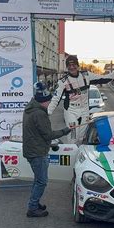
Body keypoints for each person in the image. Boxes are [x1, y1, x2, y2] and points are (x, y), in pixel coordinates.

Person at [23, 82, 71, 217]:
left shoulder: (31, 108)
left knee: (37, 179)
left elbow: (40, 133)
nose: (50, 102)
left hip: (32, 149)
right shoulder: (39, 114)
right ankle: (32, 208)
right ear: (43, 101)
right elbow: (48, 135)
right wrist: (65, 130)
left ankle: (34, 203)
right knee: (41, 181)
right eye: (48, 100)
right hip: (37, 152)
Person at [48, 55, 114, 144]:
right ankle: (72, 155)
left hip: (85, 110)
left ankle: (80, 156)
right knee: (73, 137)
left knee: (82, 138)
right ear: (67, 67)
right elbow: (55, 99)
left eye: (74, 65)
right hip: (71, 111)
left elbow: (103, 79)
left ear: (78, 65)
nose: (72, 67)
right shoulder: (62, 81)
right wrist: (48, 112)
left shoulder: (86, 75)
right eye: (69, 65)